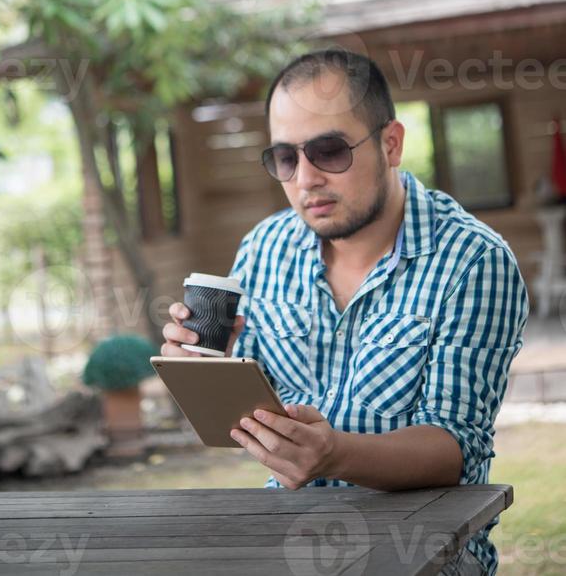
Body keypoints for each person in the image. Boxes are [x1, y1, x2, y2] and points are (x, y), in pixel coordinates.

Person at [162, 48, 529, 576]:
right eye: (285, 158)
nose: (305, 178)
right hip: (289, 535)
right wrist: (202, 369)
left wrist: (333, 453)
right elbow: (247, 409)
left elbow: (455, 446)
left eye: (329, 150)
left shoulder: (473, 260)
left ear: (390, 143)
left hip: (424, 547)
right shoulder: (264, 249)